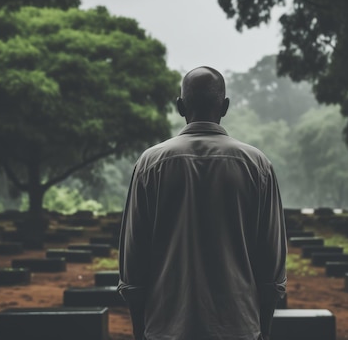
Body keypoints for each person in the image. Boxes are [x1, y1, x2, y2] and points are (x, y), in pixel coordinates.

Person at [118, 66, 287, 340]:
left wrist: (141, 331)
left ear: (180, 106)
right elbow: (272, 265)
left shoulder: (150, 164)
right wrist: (263, 330)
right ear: (226, 106)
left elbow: (133, 262)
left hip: (166, 327)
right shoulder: (257, 166)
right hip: (238, 328)